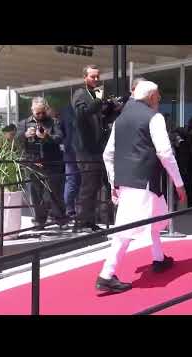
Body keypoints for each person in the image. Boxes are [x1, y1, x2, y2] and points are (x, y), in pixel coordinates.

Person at [96, 81, 187, 293]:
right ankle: (106, 275)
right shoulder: (154, 118)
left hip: (130, 182)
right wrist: (179, 183)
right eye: (159, 96)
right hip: (144, 182)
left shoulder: (120, 121)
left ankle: (159, 258)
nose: (160, 100)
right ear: (152, 97)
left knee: (158, 217)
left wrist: (113, 181)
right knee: (125, 231)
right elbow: (165, 153)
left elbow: (107, 154)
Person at [18, 97, 68, 229]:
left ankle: (60, 218)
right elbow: (16, 141)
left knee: (55, 192)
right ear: (32, 110)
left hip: (52, 162)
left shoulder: (54, 122)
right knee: (35, 193)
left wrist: (46, 136)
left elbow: (60, 138)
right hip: (33, 162)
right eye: (37, 113)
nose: (40, 115)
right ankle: (40, 221)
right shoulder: (24, 123)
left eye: (43, 112)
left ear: (46, 109)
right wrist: (25, 135)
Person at [71, 65, 107, 232]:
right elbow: (81, 115)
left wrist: (110, 107)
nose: (96, 79)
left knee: (94, 185)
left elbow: (100, 118)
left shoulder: (94, 95)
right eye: (93, 77)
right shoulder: (80, 94)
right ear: (85, 77)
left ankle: (89, 220)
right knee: (88, 186)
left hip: (96, 147)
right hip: (85, 148)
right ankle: (81, 222)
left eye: (98, 76)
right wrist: (99, 101)